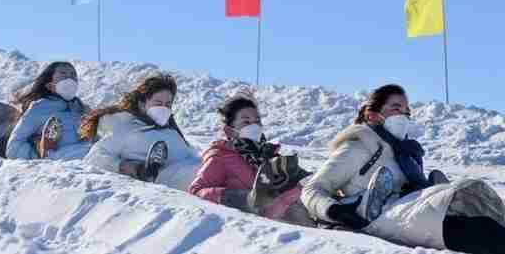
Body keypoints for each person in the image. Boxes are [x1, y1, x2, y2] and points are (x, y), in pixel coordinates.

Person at [301, 84, 505, 253]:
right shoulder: (358, 146)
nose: (404, 115)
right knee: (485, 233)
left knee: (486, 221)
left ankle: (442, 200)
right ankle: (374, 202)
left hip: (411, 212)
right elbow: (312, 189)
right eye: (396, 108)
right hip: (383, 217)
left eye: (407, 111)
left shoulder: (406, 154)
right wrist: (334, 210)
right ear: (373, 116)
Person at [189, 91, 316, 227]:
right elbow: (196, 190)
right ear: (230, 131)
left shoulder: (269, 155)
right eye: (246, 122)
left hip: (298, 215)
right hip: (265, 225)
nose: (254, 126)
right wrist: (240, 198)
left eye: (257, 121)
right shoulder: (221, 157)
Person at [82, 73, 201, 191]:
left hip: (194, 171)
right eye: (158, 103)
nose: (164, 108)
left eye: (168, 104)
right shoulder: (127, 130)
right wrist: (129, 167)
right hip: (168, 179)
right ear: (142, 104)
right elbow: (93, 157)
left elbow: (190, 157)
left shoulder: (172, 132)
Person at [6, 62, 92, 160]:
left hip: (86, 153)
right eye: (63, 74)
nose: (69, 78)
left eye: (73, 74)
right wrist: (37, 154)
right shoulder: (39, 108)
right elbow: (13, 147)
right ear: (49, 85)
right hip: (59, 158)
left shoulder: (82, 108)